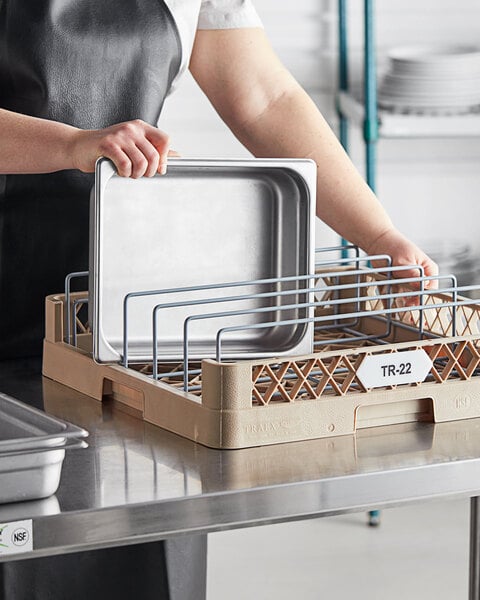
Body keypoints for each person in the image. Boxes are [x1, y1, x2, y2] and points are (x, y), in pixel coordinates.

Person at [0, 1, 437, 598]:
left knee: (140, 533)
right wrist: (72, 144)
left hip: (131, 321)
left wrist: (377, 235)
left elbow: (264, 98)